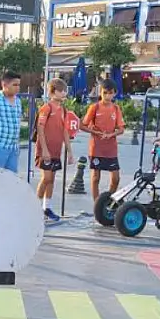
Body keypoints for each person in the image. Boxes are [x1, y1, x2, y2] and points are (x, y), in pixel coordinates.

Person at [34, 78, 74, 222]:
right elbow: (40, 128)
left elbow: (65, 131)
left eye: (65, 91)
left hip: (56, 150)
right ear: (52, 92)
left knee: (52, 180)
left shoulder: (63, 110)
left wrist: (69, 152)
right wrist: (44, 150)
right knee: (46, 178)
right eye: (61, 91)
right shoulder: (46, 108)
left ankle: (47, 207)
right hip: (45, 150)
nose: (64, 93)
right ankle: (35, 207)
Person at [82, 78, 124, 202]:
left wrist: (111, 134)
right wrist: (96, 132)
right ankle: (97, 204)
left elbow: (121, 129)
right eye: (104, 92)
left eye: (110, 93)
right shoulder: (94, 107)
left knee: (115, 179)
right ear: (100, 92)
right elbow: (83, 125)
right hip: (96, 148)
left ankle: (107, 202)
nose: (107, 95)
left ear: (114, 93)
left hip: (111, 149)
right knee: (95, 177)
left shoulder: (116, 109)